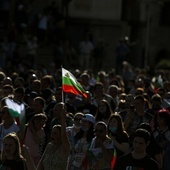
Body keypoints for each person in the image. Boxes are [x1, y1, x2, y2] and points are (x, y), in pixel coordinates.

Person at [37, 102, 70, 170]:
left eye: (55, 133)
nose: (52, 135)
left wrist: (63, 120)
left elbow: (64, 135)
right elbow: (40, 166)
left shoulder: (65, 148)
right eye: (52, 133)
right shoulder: (49, 146)